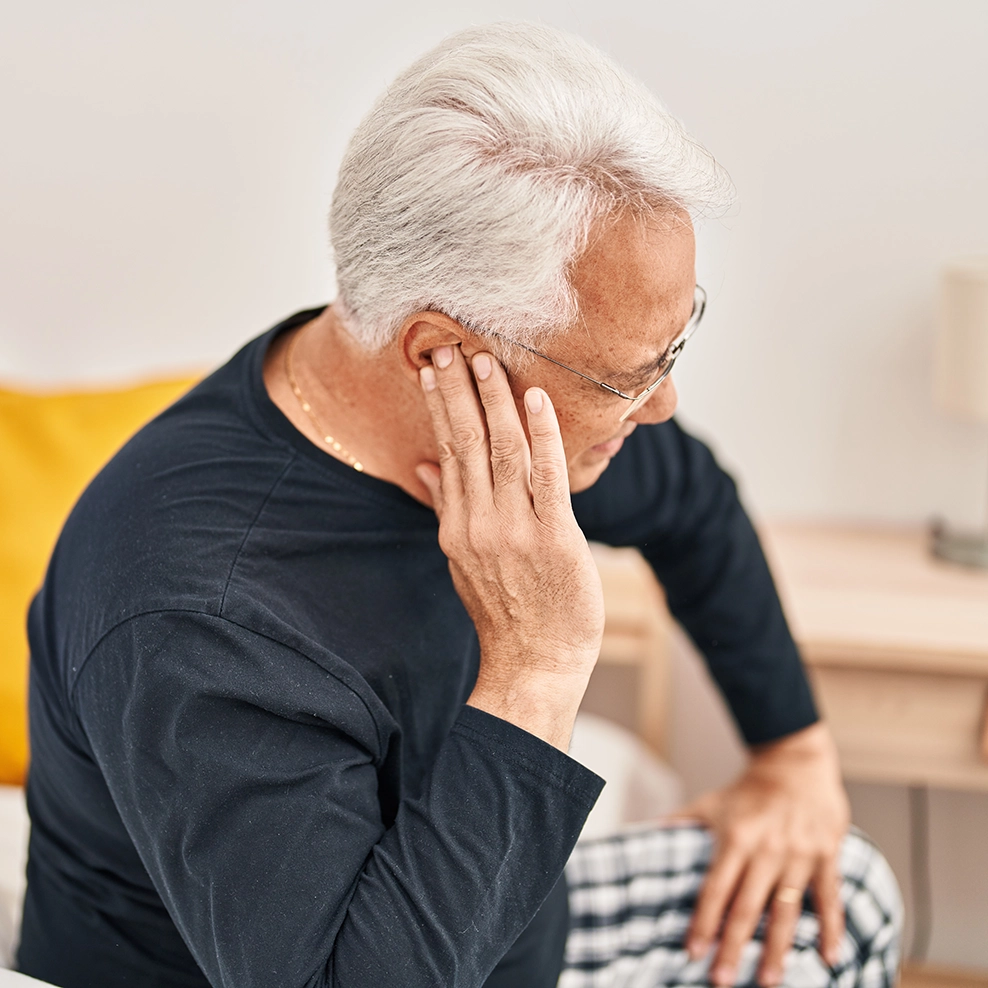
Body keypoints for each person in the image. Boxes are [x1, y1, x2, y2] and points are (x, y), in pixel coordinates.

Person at [17, 22, 900, 988]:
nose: (661, 405)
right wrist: (536, 670)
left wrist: (794, 757)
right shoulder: (200, 614)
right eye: (627, 378)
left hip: (493, 928)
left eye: (674, 345)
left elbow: (690, 500)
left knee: (843, 894)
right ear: (441, 351)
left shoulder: (510, 428)